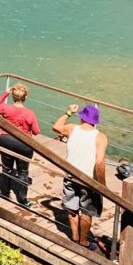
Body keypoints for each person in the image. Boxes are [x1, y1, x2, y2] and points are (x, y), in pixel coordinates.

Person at [53, 103, 108, 250]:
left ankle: (74, 237)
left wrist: (69, 112)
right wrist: (102, 185)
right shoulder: (100, 137)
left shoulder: (71, 128)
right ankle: (83, 241)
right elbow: (100, 162)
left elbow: (56, 126)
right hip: (87, 180)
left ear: (82, 118)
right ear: (95, 121)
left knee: (72, 208)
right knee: (86, 211)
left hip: (70, 176)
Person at [0, 83, 40, 208]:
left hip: (6, 140)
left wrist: (5, 93)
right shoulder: (30, 113)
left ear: (13, 96)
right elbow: (36, 132)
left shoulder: (6, 109)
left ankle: (5, 193)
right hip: (24, 144)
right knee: (23, 172)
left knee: (6, 168)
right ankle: (23, 200)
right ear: (26, 96)